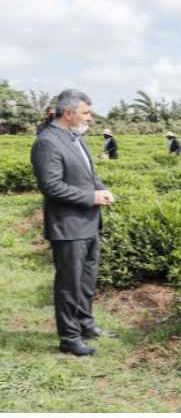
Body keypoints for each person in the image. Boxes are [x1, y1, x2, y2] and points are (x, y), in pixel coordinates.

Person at [31, 89, 118, 357]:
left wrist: (101, 189)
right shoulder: (48, 142)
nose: (90, 118)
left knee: (86, 280)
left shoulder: (75, 138)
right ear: (68, 114)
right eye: (86, 112)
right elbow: (51, 186)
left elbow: (89, 174)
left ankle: (85, 323)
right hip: (68, 226)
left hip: (88, 223)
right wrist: (90, 197)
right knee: (69, 283)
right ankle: (69, 338)